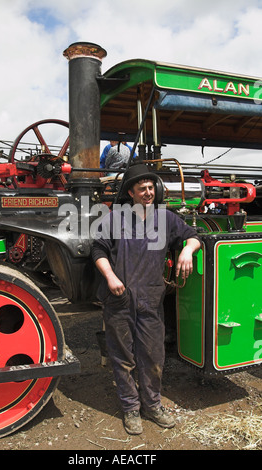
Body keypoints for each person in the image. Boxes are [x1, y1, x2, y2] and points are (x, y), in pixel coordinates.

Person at [91, 163, 201, 435]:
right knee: (123, 357)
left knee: (153, 356)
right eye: (143, 188)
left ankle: (152, 405)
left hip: (151, 299)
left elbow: (193, 237)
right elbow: (98, 250)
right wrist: (110, 276)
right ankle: (130, 408)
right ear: (131, 192)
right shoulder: (114, 218)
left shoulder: (166, 219)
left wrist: (187, 251)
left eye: (152, 187)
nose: (149, 192)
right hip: (120, 298)